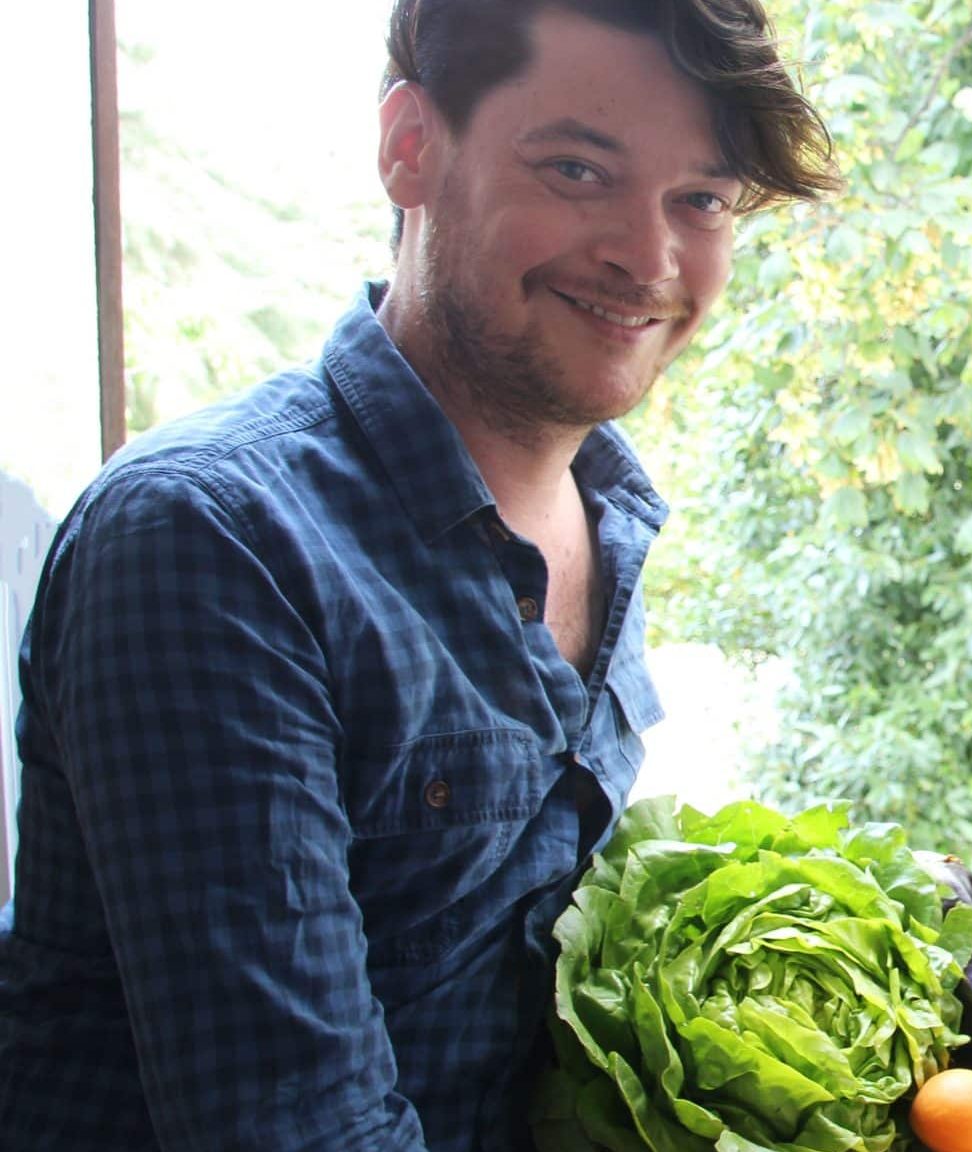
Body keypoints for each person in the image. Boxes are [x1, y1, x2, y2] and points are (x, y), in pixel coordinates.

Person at [0, 1, 836, 1148]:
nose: (648, 260)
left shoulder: (605, 513)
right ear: (409, 148)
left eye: (698, 199)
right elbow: (298, 1129)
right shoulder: (210, 541)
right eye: (578, 168)